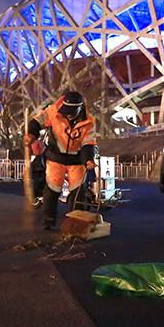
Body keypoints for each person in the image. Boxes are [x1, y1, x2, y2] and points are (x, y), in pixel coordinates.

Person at [24, 91, 97, 230]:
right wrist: (32, 134)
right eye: (65, 111)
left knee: (78, 192)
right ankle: (48, 220)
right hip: (56, 157)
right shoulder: (53, 111)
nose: (67, 114)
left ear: (79, 108)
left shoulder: (89, 122)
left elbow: (88, 143)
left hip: (77, 160)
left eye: (70, 112)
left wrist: (88, 159)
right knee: (51, 189)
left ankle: (76, 222)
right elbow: (36, 122)